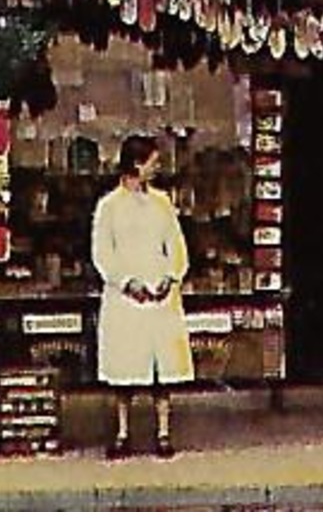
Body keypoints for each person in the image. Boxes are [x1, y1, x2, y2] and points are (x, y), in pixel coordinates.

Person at [92, 135, 193, 459]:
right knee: (125, 367)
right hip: (126, 296)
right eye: (153, 161)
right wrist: (126, 281)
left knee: (162, 367)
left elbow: (176, 246)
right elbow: (102, 252)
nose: (158, 167)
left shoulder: (162, 203)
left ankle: (163, 432)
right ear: (137, 164)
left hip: (159, 294)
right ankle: (122, 432)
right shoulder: (109, 206)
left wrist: (170, 276)